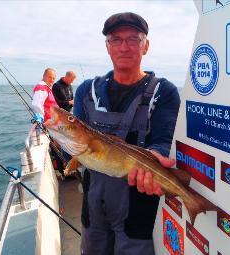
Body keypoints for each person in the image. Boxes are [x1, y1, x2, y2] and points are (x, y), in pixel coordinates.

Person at [73, 12, 180, 255]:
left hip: (138, 202)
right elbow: (75, 133)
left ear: (146, 46)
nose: (124, 46)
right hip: (93, 202)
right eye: (116, 39)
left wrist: (157, 155)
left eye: (133, 39)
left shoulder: (164, 92)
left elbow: (164, 139)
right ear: (107, 47)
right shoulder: (86, 91)